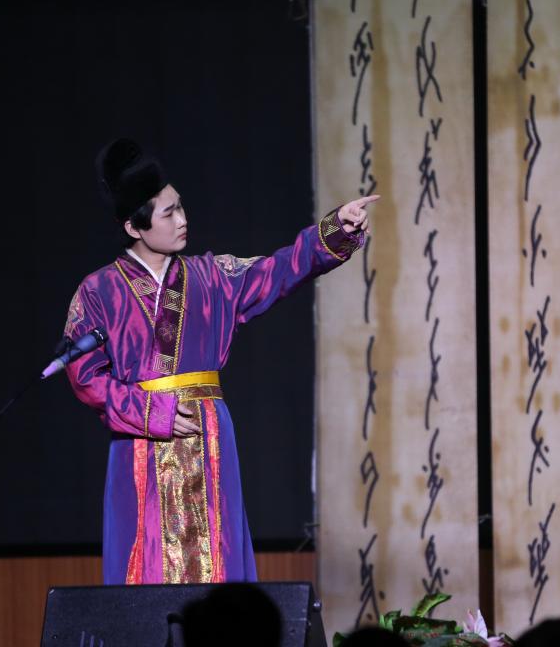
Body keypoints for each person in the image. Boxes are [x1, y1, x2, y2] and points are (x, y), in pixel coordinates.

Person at [62, 138, 377, 584]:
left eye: (181, 206)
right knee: (144, 561)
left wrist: (336, 230)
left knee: (218, 553)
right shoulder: (98, 292)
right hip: (140, 442)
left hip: (207, 433)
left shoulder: (212, 277)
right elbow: (86, 378)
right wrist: (152, 411)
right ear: (134, 227)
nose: (183, 219)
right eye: (168, 213)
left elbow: (280, 270)